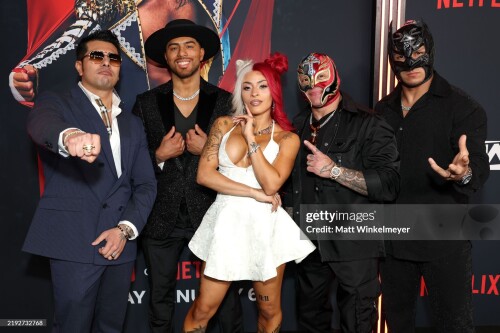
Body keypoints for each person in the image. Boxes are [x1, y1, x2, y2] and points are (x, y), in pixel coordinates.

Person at [22, 30, 157, 332]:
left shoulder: (133, 123)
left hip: (119, 245)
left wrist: (125, 229)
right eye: (96, 56)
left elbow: (146, 185)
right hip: (75, 241)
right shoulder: (58, 103)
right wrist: (70, 137)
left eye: (113, 58)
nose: (106, 62)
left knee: (112, 326)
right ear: (79, 66)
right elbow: (41, 123)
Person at [183, 53, 315, 333]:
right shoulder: (222, 125)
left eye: (262, 86)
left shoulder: (287, 139)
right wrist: (252, 193)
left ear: (274, 91)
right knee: (203, 310)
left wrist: (252, 137)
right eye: (247, 86)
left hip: (265, 227)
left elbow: (271, 185)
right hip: (226, 222)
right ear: (239, 91)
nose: (254, 93)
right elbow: (205, 175)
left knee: (269, 311)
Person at [375, 19, 489, 332]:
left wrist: (464, 173)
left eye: (419, 52)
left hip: (445, 242)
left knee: (454, 326)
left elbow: (477, 165)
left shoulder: (462, 107)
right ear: (392, 60)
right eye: (402, 57)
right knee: (397, 325)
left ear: (430, 52)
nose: (411, 62)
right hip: (395, 242)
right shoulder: (381, 111)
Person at [132, 19, 243, 333]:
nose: (182, 53)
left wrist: (204, 151)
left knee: (226, 305)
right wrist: (158, 157)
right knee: (159, 302)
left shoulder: (225, 102)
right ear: (166, 58)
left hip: (212, 215)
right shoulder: (146, 103)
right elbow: (130, 163)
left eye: (189, 46)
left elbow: (242, 163)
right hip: (160, 218)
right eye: (173, 47)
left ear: (202, 55)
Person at [290, 52, 400, 333]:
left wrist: (334, 171)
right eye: (306, 80)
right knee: (310, 321)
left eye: (320, 77)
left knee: (357, 322)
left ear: (335, 76)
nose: (314, 85)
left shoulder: (368, 123)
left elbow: (388, 185)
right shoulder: (296, 127)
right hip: (309, 246)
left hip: (354, 244)